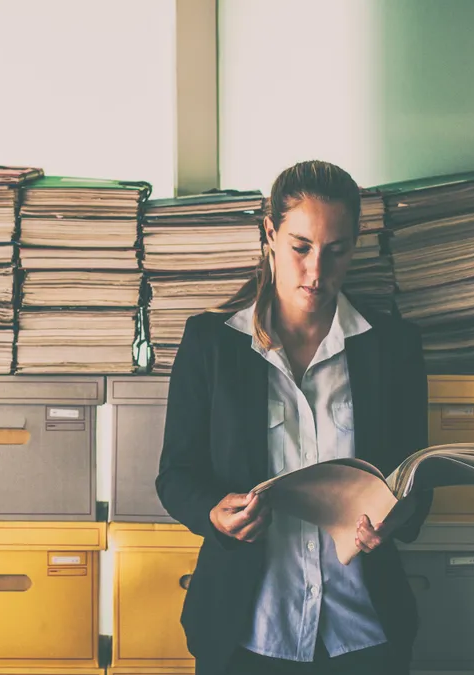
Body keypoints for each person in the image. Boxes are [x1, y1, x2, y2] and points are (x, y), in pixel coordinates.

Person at [155, 160, 432, 675]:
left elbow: (417, 480)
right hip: (248, 629)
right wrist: (215, 515)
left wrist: (395, 518)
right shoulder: (211, 344)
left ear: (356, 244)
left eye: (337, 250)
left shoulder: (393, 347)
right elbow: (175, 475)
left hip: (364, 632)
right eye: (301, 247)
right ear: (270, 234)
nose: (317, 271)